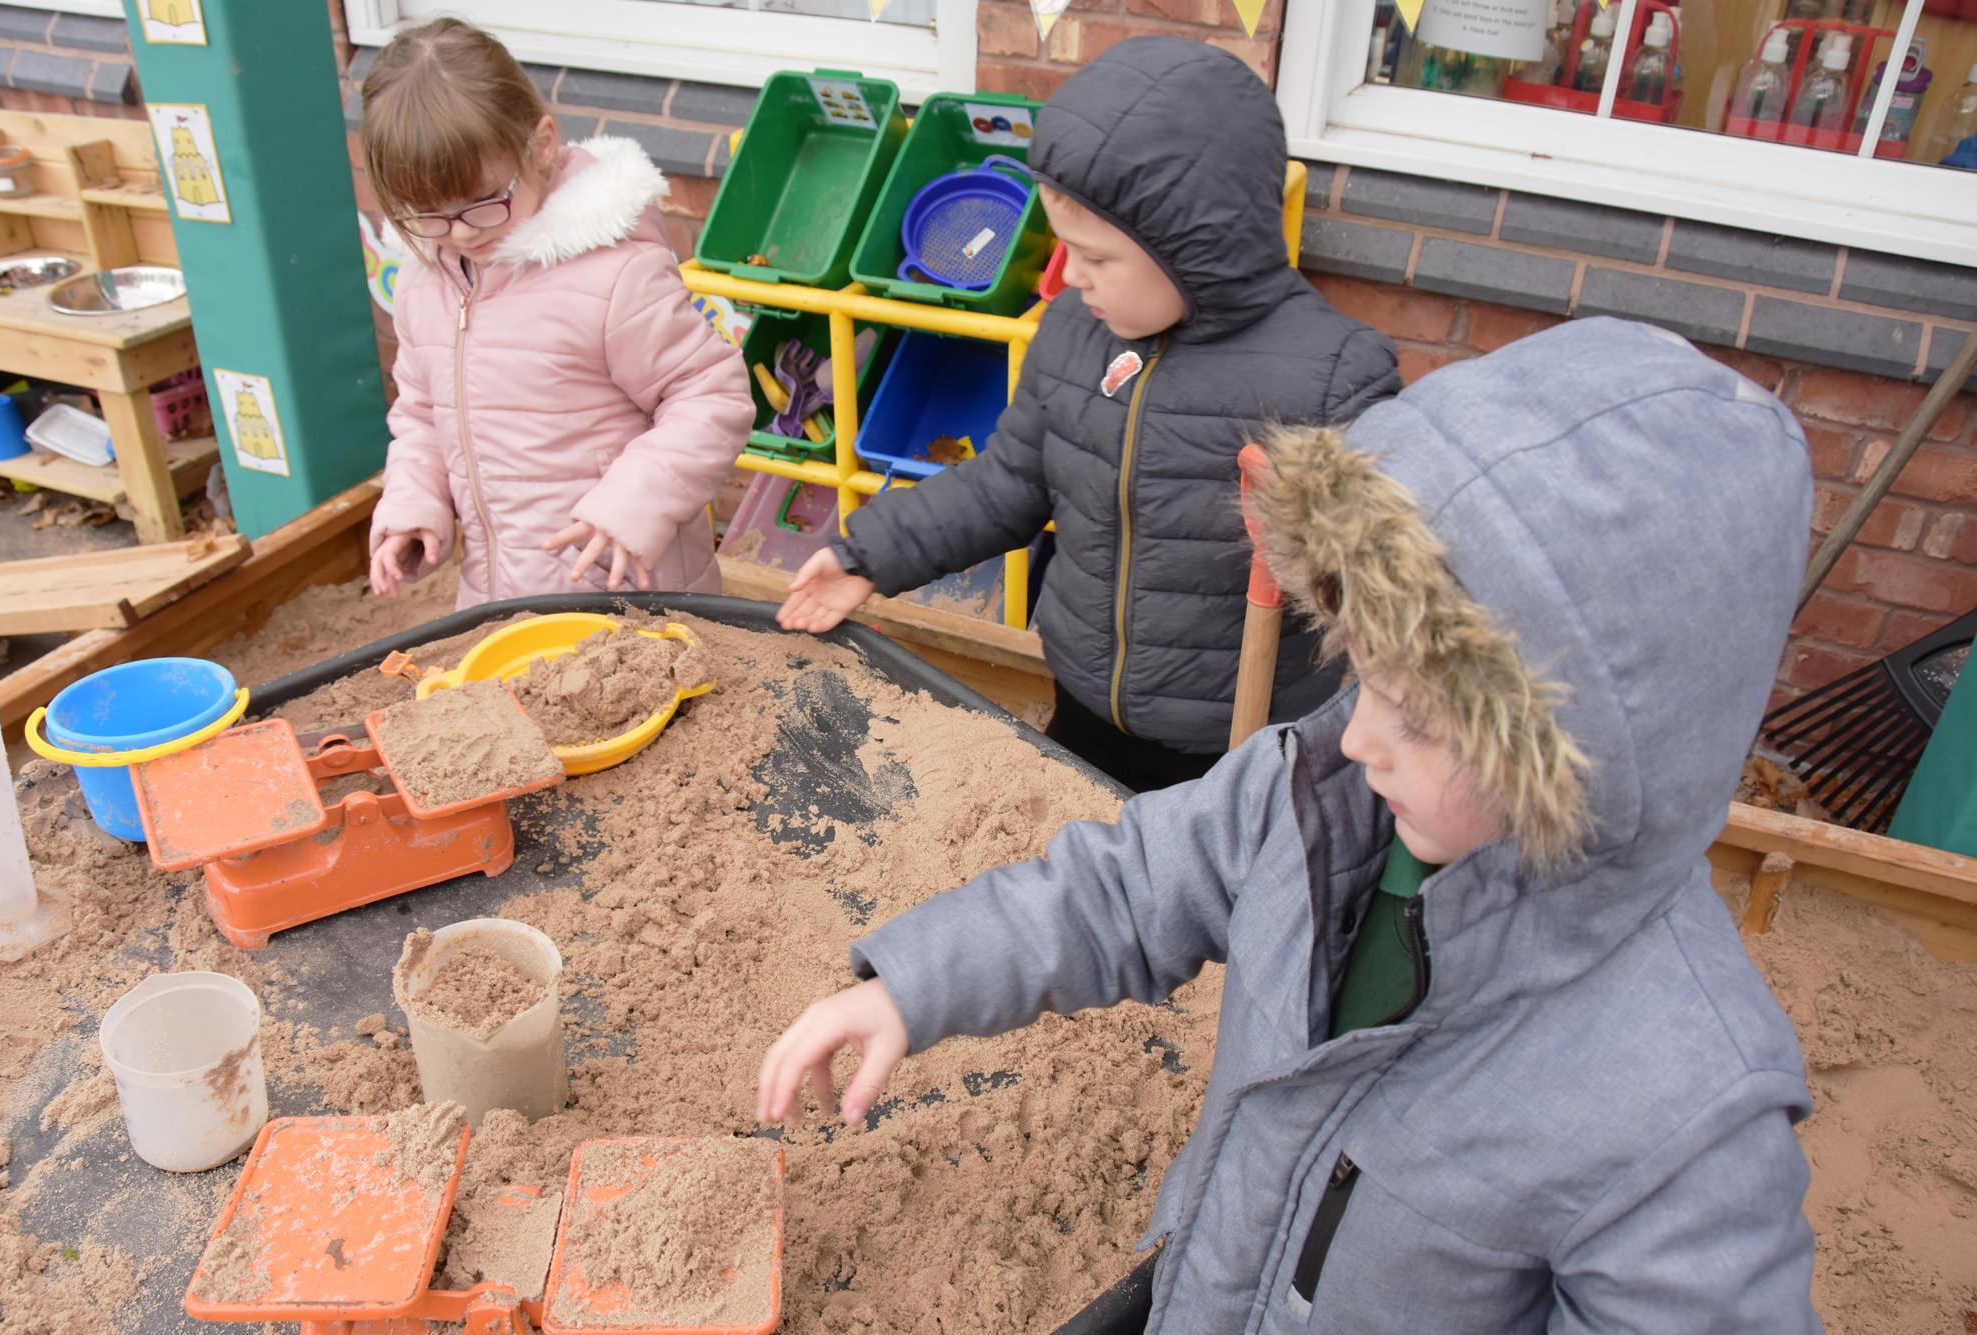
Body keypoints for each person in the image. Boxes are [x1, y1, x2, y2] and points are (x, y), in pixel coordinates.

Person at [758, 319, 1823, 1332]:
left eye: (1419, 715)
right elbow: (1121, 886)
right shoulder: (1317, 799)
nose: (1355, 735)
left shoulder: (1683, 1120)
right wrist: (914, 983)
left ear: (1582, 752)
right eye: (1361, 673)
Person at [777, 36, 1400, 792]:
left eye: (1097, 258)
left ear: (1195, 246)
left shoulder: (1332, 379)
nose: (1071, 275)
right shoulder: (1075, 332)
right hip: (1084, 704)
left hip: (1235, 748)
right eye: (1065, 249)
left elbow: (1380, 597)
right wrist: (867, 554)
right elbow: (1005, 484)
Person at [361, 17, 752, 608]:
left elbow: (712, 396)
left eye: (483, 203)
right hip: (496, 597)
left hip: (625, 596)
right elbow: (421, 415)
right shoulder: (426, 280)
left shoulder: (613, 274)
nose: (461, 233)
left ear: (541, 145)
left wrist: (635, 503)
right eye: (428, 215)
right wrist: (413, 503)